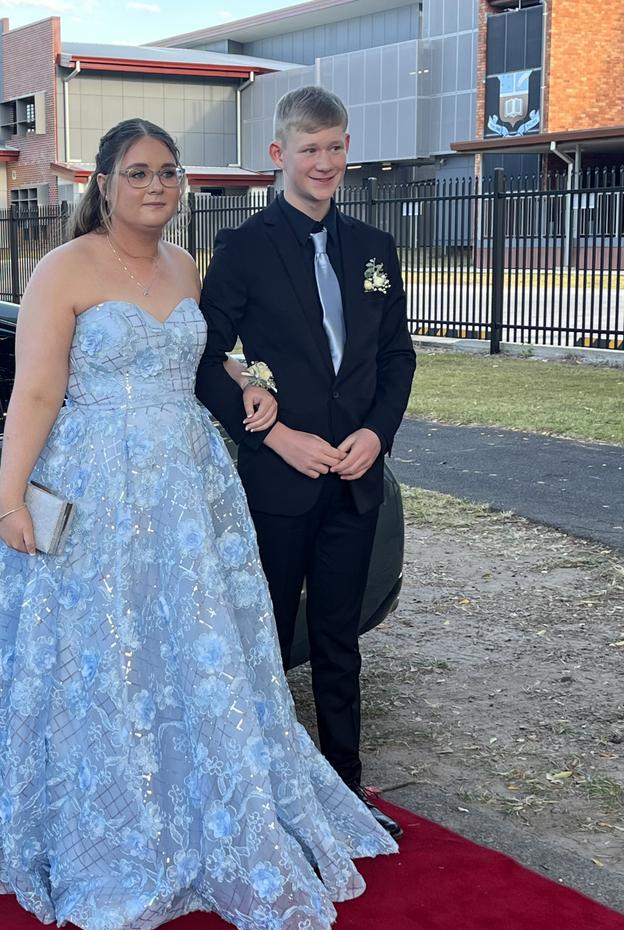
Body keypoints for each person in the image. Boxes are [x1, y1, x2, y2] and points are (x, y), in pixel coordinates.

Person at [0, 118, 397, 930]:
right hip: (97, 483)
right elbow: (36, 392)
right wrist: (11, 499)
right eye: (139, 172)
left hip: (185, 486)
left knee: (189, 648)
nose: (157, 186)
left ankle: (201, 807)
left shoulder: (185, 266)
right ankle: (113, 825)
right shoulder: (62, 270)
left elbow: (198, 356)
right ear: (103, 182)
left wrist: (245, 383)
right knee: (104, 654)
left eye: (169, 173)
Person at [196, 87, 416, 840]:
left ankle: (347, 788)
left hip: (354, 482)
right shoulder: (244, 248)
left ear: (348, 149)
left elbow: (395, 358)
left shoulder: (376, 250)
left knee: (337, 640)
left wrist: (377, 435)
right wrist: (273, 434)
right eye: (309, 148)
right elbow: (205, 358)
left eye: (336, 147)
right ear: (278, 155)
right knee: (261, 640)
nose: (324, 162)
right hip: (279, 482)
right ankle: (264, 793)